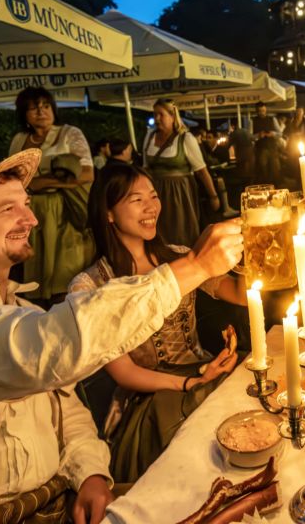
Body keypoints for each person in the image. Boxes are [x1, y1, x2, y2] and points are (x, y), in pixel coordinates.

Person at [0, 147, 243, 523]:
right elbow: (48, 347)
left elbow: (69, 413)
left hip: (61, 502)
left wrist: (91, 474)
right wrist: (195, 266)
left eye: (26, 204)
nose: (31, 218)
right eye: (6, 208)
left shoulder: (25, 310)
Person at [68, 164, 245, 482]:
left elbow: (240, 294)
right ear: (108, 213)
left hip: (206, 372)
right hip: (151, 399)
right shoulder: (90, 286)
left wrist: (258, 246)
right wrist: (190, 384)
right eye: (137, 200)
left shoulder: (179, 257)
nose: (152, 207)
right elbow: (125, 373)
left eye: (154, 195)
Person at [8, 87, 95, 302]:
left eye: (46, 106)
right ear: (24, 114)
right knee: (36, 263)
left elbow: (87, 172)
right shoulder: (20, 139)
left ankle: (66, 310)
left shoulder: (69, 133)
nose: (41, 112)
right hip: (31, 209)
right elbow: (11, 173)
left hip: (63, 209)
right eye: (34, 108)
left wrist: (43, 182)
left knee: (64, 265)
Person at [142, 99, 219, 246]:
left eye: (160, 114)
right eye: (154, 114)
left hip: (179, 193)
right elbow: (145, 168)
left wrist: (213, 196)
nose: (156, 118)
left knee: (180, 231)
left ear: (172, 116)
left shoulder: (185, 138)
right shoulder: (149, 137)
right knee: (157, 231)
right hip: (154, 192)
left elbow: (202, 171)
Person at [251, 102, 282, 185]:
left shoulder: (272, 119)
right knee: (263, 170)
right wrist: (258, 136)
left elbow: (280, 133)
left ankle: (276, 186)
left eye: (263, 110)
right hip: (261, 149)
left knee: (275, 169)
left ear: (266, 110)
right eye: (260, 111)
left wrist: (272, 134)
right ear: (256, 111)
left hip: (272, 147)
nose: (262, 113)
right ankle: (266, 186)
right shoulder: (252, 120)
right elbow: (250, 137)